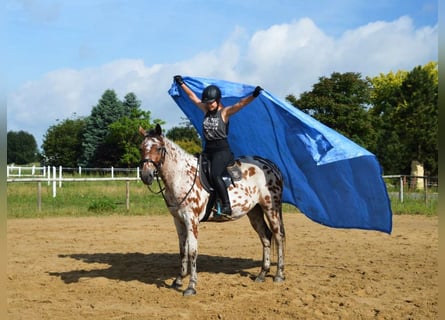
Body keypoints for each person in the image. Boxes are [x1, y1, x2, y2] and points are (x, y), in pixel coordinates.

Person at [173, 75, 262, 219]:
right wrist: (182, 84)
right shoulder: (205, 110)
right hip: (208, 150)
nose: (209, 105)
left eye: (211, 102)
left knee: (215, 175)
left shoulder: (224, 113)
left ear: (218, 100)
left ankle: (226, 205)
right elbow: (192, 97)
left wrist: (254, 95)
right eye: (207, 103)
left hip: (222, 151)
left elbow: (240, 104)